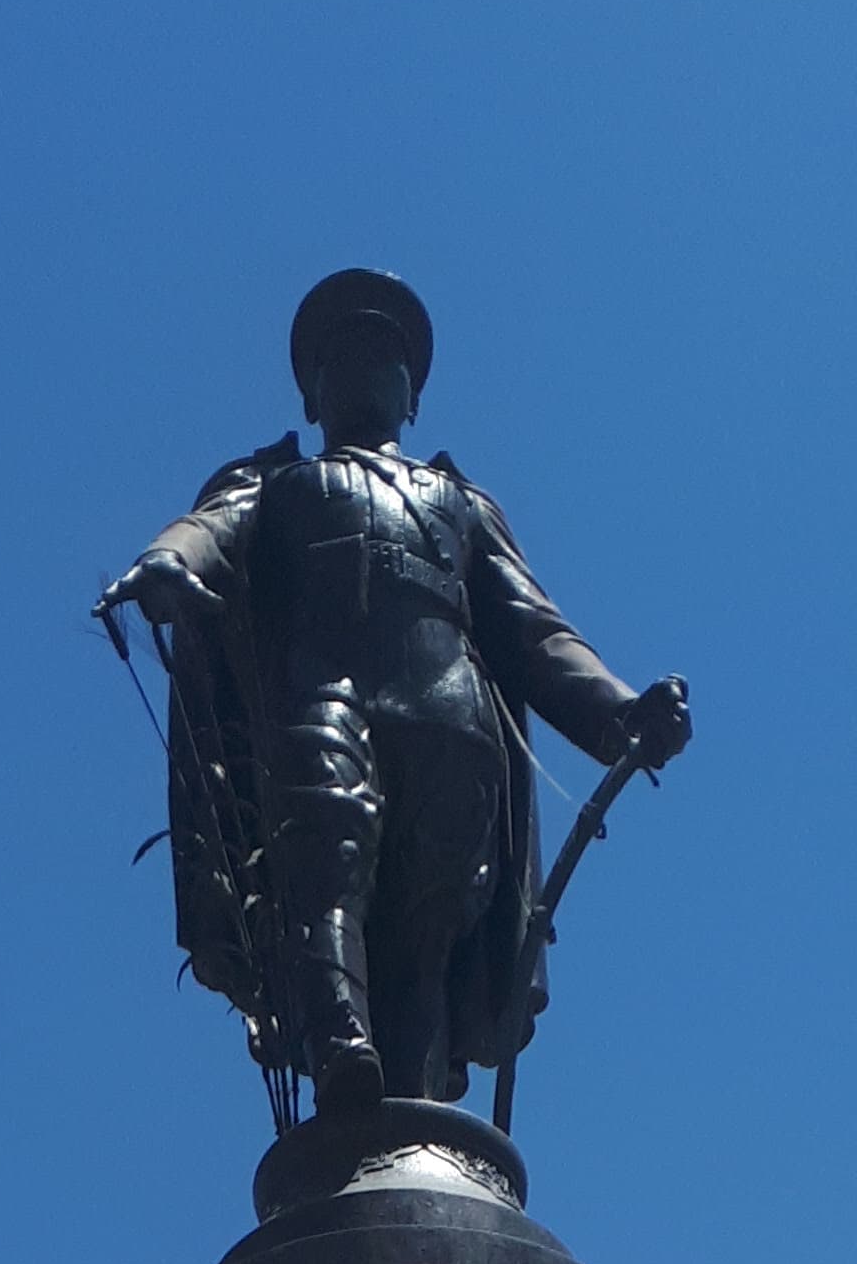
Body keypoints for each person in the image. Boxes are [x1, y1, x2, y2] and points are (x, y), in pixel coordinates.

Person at [108, 270, 690, 1113]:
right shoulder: (273, 485)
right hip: (323, 694)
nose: (363, 372)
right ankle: (343, 1041)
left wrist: (619, 712)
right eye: (339, 359)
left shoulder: (458, 503)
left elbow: (535, 632)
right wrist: (166, 565)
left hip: (449, 714)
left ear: (413, 395)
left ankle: (413, 1101)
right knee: (324, 851)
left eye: (385, 359)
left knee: (432, 913)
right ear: (310, 396)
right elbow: (206, 533)